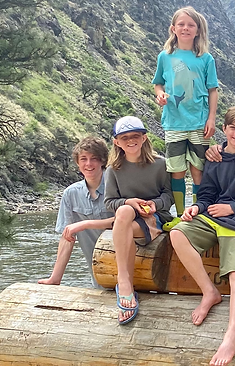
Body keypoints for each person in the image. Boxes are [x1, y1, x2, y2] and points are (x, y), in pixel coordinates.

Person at [168, 106, 235, 366]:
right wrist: (196, 207)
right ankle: (210, 292)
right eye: (233, 128)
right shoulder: (214, 158)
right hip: (213, 218)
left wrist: (234, 208)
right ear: (225, 129)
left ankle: (231, 336)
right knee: (178, 233)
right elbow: (207, 195)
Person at [104, 116, 174, 324]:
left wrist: (154, 205)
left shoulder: (160, 164)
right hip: (129, 220)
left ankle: (124, 283)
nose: (130, 141)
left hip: (156, 219)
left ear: (144, 138)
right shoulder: (113, 170)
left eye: (135, 136)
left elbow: (168, 197)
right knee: (124, 211)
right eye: (124, 137)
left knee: (124, 214)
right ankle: (124, 281)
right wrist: (130, 202)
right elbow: (109, 202)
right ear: (116, 142)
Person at [152, 7, 220, 216]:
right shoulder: (165, 57)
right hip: (173, 122)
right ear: (173, 28)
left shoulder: (206, 58)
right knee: (176, 170)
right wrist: (160, 95)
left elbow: (213, 90)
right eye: (181, 24)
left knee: (198, 170)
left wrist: (211, 118)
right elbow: (158, 84)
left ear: (198, 30)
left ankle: (198, 213)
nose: (185, 28)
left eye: (191, 25)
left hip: (199, 123)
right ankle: (181, 214)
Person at [38, 136, 113, 287]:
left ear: (103, 161)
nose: (89, 164)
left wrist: (85, 224)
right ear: (78, 163)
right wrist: (55, 278)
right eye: (83, 159)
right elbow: (67, 237)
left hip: (133, 268)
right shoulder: (70, 194)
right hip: (99, 275)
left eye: (94, 158)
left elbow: (127, 221)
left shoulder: (117, 186)